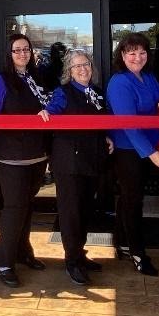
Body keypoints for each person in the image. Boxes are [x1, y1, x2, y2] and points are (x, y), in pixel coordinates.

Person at [40, 48, 113, 285]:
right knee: (71, 213)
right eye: (78, 66)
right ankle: (72, 261)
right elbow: (50, 114)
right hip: (69, 162)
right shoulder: (63, 92)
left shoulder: (98, 93)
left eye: (87, 65)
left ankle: (79, 253)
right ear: (69, 72)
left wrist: (108, 137)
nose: (83, 70)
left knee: (85, 210)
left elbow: (104, 122)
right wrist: (44, 113)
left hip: (92, 160)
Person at [0, 34, 49, 288]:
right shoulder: (1, 81)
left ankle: (23, 252)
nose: (22, 54)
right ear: (9, 54)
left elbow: (48, 107)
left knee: (28, 205)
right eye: (16, 50)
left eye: (26, 49)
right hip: (12, 156)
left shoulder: (37, 77)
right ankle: (5, 262)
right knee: (14, 209)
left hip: (37, 153)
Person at [106, 32, 159, 277]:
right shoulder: (119, 82)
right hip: (129, 150)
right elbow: (129, 124)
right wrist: (152, 153)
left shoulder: (148, 77)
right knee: (133, 201)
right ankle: (138, 253)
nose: (137, 57)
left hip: (145, 147)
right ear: (122, 55)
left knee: (128, 197)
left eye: (142, 52)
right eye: (131, 52)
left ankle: (120, 241)